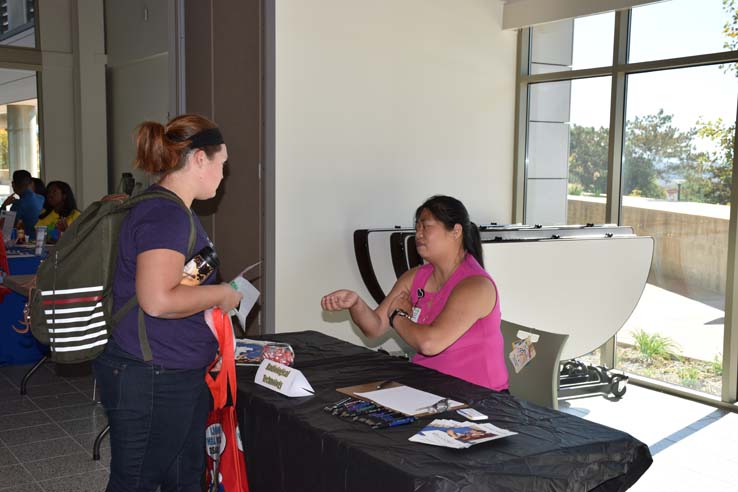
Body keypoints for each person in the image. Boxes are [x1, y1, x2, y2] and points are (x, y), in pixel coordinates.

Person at [93, 114, 242, 492]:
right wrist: (222, 295)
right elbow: (158, 299)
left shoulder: (170, 210)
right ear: (198, 160)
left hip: (170, 371)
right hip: (152, 376)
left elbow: (172, 286)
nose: (223, 175)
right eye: (221, 164)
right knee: (136, 481)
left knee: (184, 478)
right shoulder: (167, 215)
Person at [321, 195, 508, 391]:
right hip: (428, 388)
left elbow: (429, 343)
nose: (418, 234)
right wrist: (356, 304)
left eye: (426, 226)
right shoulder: (415, 277)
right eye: (417, 227)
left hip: (480, 399)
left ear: (456, 231)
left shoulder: (476, 285)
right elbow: (374, 327)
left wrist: (398, 316)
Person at [1, 170, 44, 240]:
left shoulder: (18, 204)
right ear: (31, 183)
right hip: (42, 240)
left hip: (27, 243)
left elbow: (5, 228)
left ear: (13, 184)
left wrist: (4, 206)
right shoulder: (42, 198)